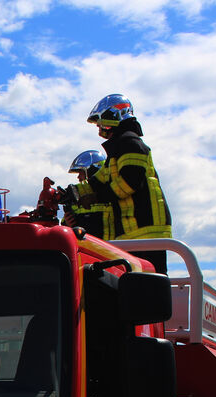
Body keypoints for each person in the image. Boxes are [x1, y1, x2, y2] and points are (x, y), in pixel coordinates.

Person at [71, 94, 173, 272]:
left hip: (147, 230)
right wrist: (69, 193)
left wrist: (94, 198)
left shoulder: (130, 143)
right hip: (133, 232)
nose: (99, 129)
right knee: (132, 287)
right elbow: (98, 181)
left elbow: (130, 182)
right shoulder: (118, 149)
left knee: (148, 286)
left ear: (114, 116)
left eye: (101, 123)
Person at [61, 150, 108, 238]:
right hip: (84, 249)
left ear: (92, 171)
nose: (78, 177)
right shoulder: (75, 200)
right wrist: (67, 224)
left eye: (81, 173)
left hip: (108, 247)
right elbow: (64, 227)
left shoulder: (108, 195)